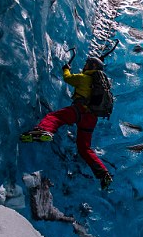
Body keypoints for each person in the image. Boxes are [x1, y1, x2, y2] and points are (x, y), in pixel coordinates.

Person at [20, 52, 113, 190]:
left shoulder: (84, 78)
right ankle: (104, 174)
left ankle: (44, 131)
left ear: (92, 66)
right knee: (84, 148)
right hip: (91, 119)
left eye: (87, 64)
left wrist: (66, 68)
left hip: (80, 110)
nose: (84, 66)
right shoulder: (103, 85)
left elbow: (68, 78)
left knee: (55, 117)